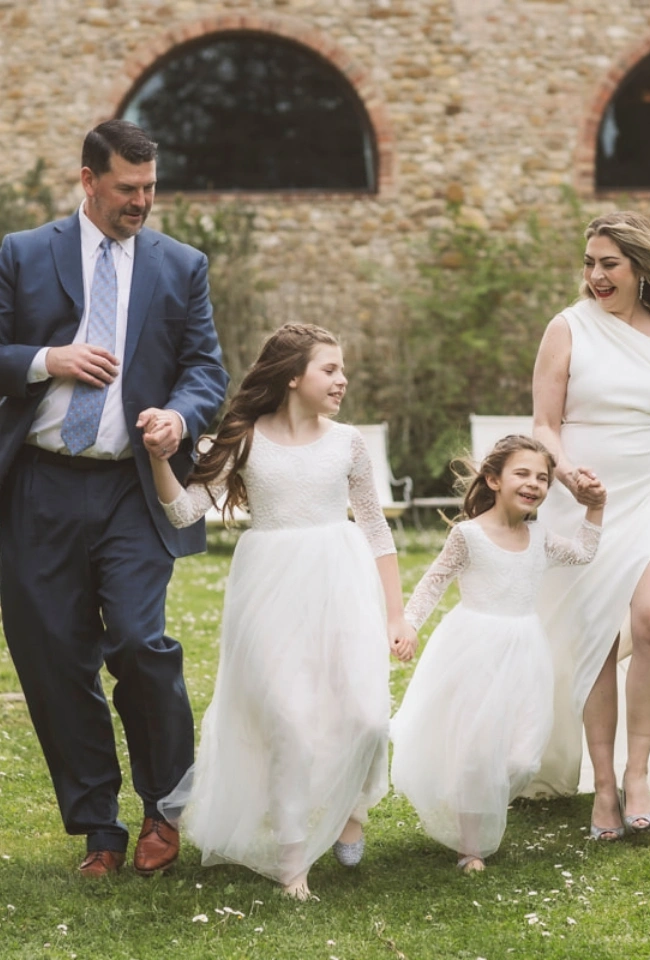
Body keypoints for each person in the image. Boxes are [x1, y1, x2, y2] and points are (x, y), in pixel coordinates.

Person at [0, 120, 228, 877]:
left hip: (134, 487)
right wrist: (44, 359)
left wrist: (180, 416)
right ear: (88, 180)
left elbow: (205, 370)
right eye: (127, 188)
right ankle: (99, 826)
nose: (141, 201)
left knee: (140, 641)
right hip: (39, 485)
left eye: (151, 188)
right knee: (54, 657)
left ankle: (165, 805)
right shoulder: (22, 253)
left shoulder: (181, 265)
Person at [144, 323, 415, 901]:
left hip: (342, 580)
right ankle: (293, 859)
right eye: (330, 369)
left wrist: (396, 615)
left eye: (342, 370)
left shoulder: (348, 443)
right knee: (289, 720)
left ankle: (352, 807)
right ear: (293, 377)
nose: (342, 379)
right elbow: (184, 512)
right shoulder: (243, 438)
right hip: (269, 586)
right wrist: (158, 460)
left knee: (365, 716)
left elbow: (373, 526)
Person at [528, 211, 650, 839]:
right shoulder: (567, 329)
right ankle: (603, 788)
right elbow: (545, 422)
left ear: (640, 269)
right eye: (589, 262)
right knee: (597, 638)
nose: (595, 276)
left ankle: (638, 774)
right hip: (587, 499)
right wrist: (567, 472)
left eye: (609, 264)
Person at [391, 436, 604, 872]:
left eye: (543, 478)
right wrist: (409, 626)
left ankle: (476, 796)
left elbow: (584, 552)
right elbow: (434, 582)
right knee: (475, 751)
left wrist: (595, 508)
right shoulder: (468, 536)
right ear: (493, 479)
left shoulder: (540, 537)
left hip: (525, 651)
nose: (534, 484)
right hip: (473, 649)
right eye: (522, 474)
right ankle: (471, 846)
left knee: (521, 758)